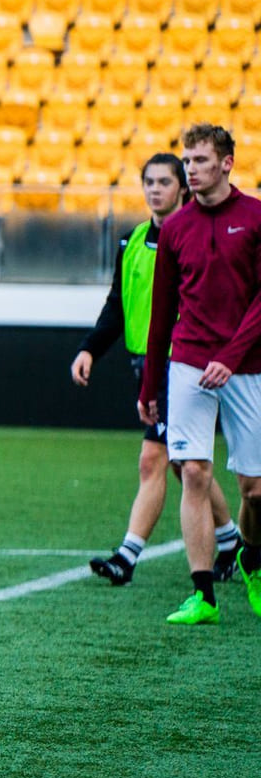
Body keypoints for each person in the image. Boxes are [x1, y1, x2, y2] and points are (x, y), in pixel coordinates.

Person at [73, 153, 240, 585]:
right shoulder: (130, 243)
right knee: (186, 464)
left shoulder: (194, 237)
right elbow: (118, 305)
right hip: (145, 364)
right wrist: (91, 348)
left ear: (182, 187)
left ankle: (127, 557)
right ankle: (231, 542)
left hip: (181, 363)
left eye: (164, 181)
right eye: (149, 181)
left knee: (156, 458)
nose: (154, 189)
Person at [139, 123, 261, 624]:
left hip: (247, 366)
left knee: (254, 488)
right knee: (192, 470)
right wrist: (151, 384)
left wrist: (231, 356)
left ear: (227, 164)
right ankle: (204, 593)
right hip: (187, 362)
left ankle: (251, 557)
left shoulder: (256, 218)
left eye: (201, 161)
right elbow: (162, 311)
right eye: (187, 161)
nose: (191, 169)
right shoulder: (175, 228)